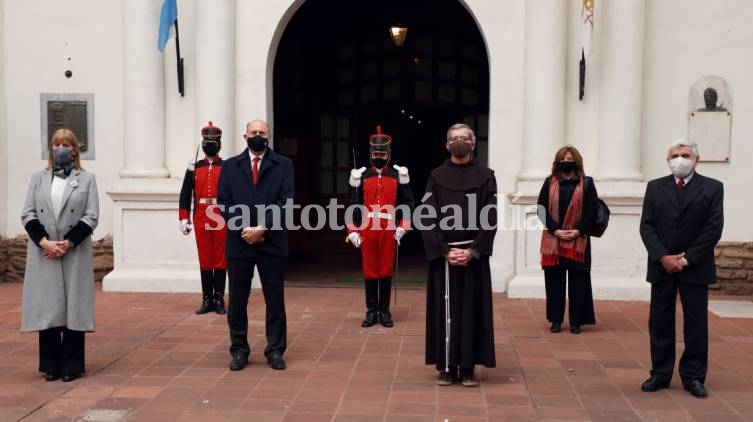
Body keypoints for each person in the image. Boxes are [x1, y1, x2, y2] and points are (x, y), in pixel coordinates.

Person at [639, 139, 723, 399]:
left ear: (696, 159)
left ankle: (694, 376)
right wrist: (664, 257)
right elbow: (647, 226)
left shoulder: (712, 188)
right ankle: (660, 373)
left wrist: (686, 260)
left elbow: (713, 228)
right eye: (674, 155)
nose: (679, 159)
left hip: (695, 267)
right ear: (667, 160)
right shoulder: (655, 188)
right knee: (660, 321)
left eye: (685, 155)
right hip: (662, 266)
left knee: (696, 323)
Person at [420, 123, 497, 387]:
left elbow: (491, 216)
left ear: (474, 144)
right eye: (454, 138)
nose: (459, 141)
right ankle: (445, 366)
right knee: (444, 311)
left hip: (472, 256)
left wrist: (474, 251)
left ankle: (468, 367)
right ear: (447, 145)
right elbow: (426, 216)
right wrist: (443, 250)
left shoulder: (486, 176)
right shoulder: (436, 175)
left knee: (471, 310)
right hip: (445, 257)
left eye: (465, 137)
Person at [20, 128, 99, 382]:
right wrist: (44, 242)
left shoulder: (86, 180)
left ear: (75, 149)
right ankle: (51, 365)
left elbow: (91, 216)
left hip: (72, 250)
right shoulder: (38, 178)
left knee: (73, 307)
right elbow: (28, 213)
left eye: (65, 144)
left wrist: (67, 243)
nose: (60, 149)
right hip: (45, 251)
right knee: (49, 307)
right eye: (56, 144)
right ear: (50, 149)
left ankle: (71, 365)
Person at [217, 119, 294, 371]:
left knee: (275, 300)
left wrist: (262, 228)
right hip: (239, 243)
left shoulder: (283, 165)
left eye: (262, 132)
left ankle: (275, 350)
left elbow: (286, 202)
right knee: (238, 300)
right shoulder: (229, 166)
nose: (258, 136)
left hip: (271, 241)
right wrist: (244, 229)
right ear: (245, 136)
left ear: (269, 136)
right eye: (253, 132)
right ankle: (239, 350)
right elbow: (224, 202)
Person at [346, 126, 415, 328]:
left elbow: (408, 203)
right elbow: (352, 206)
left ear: (388, 154)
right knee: (369, 270)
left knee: (385, 269)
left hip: (388, 228)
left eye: (382, 153)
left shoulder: (397, 175)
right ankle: (371, 310)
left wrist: (404, 227)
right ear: (370, 154)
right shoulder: (361, 175)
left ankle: (384, 310)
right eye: (376, 153)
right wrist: (352, 231)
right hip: (367, 228)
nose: (379, 156)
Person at [537, 146, 599, 335]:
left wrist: (578, 230)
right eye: (563, 158)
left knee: (578, 283)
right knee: (554, 282)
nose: (567, 161)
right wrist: (555, 230)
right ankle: (555, 320)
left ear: (576, 161)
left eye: (570, 158)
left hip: (577, 240)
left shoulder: (586, 183)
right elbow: (541, 208)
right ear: (557, 162)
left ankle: (576, 322)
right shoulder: (549, 183)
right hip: (554, 240)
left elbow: (593, 210)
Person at [179, 121, 228, 315]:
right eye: (207, 141)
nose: (210, 144)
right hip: (200, 215)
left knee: (221, 259)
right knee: (205, 258)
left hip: (221, 216)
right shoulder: (194, 167)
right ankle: (206, 298)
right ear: (203, 143)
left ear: (219, 143)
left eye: (214, 141)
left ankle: (219, 298)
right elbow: (185, 194)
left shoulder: (226, 166)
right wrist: (183, 218)